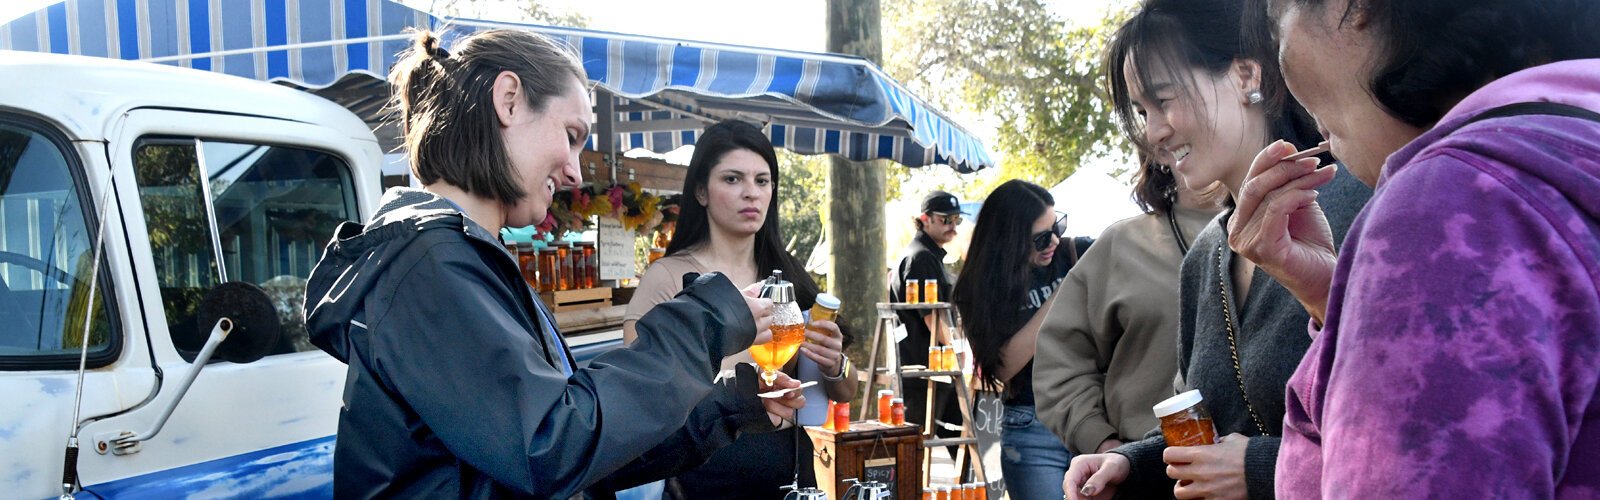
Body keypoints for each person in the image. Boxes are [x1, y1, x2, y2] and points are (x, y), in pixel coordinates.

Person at [302, 29, 804, 498]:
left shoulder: (456, 258)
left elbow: (579, 447)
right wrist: (705, 322)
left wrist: (728, 406)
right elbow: (550, 446)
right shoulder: (431, 264)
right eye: (571, 134)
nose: (572, 171)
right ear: (509, 99)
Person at [1227, 0, 1600, 495]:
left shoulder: (1446, 204)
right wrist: (1339, 301)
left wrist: (1402, 274)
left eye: (1277, 28)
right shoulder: (1562, 147)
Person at [1062, 0, 1372, 498]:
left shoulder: (1361, 201)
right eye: (1142, 113)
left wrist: (1261, 469)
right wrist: (1128, 462)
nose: (1154, 132)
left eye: (1163, 101)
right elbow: (1201, 422)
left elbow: (1410, 415)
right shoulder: (1205, 258)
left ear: (1247, 73)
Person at [622, 120, 856, 499]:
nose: (751, 193)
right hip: (701, 467)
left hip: (788, 466)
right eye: (733, 179)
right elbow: (641, 386)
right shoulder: (668, 277)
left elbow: (843, 392)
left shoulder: (787, 279)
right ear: (701, 191)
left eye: (762, 181)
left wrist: (835, 364)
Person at [1033, 156, 1219, 457]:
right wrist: (1099, 439)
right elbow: (1060, 360)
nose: (1162, 127)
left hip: (1277, 468)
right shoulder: (1123, 243)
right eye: (1147, 112)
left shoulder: (1308, 223)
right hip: (1148, 466)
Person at [950, 180, 1088, 500]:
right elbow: (1001, 368)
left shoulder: (1074, 252)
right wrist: (1058, 299)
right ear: (1009, 240)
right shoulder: (978, 289)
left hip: (1093, 414)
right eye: (1040, 237)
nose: (1054, 240)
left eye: (1058, 226)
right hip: (1032, 424)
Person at [889, 190, 967, 443]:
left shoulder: (926, 254)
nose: (953, 226)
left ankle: (970, 482)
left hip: (931, 369)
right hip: (923, 372)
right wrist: (958, 351)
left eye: (957, 219)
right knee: (916, 448)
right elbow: (932, 317)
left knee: (959, 439)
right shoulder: (921, 257)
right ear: (925, 218)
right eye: (946, 219)